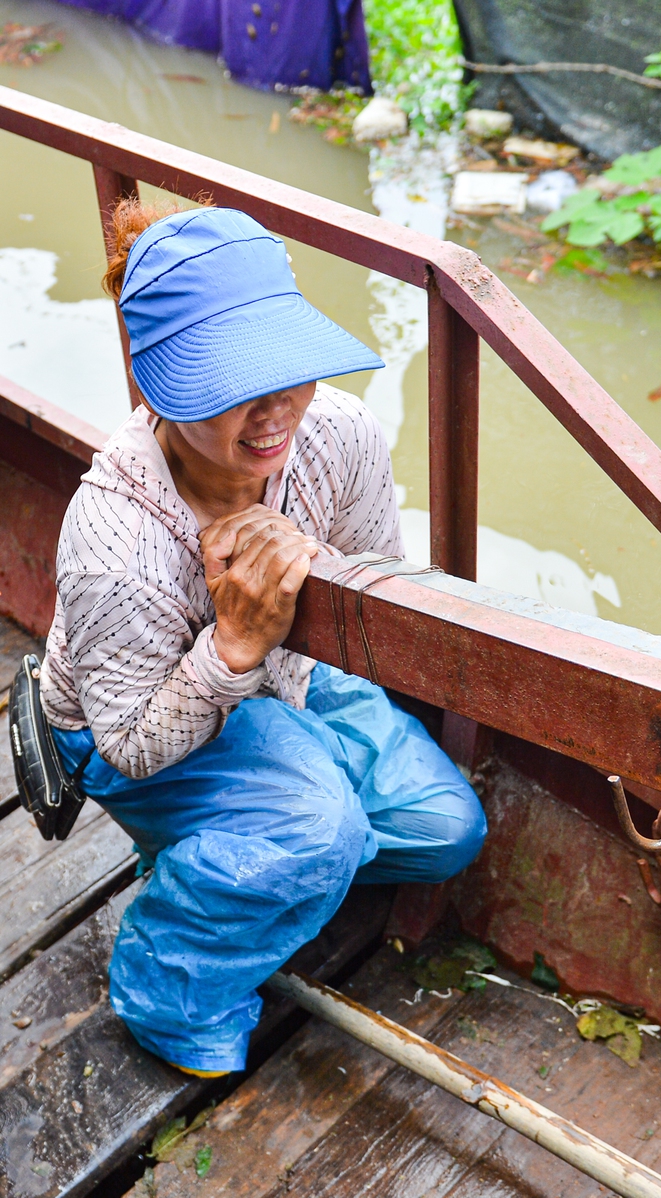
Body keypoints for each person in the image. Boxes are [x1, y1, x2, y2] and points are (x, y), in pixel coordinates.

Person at [39, 202, 487, 1077]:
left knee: (443, 829)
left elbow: (377, 579)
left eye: (289, 367)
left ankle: (231, 851)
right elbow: (132, 747)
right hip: (133, 721)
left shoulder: (340, 436)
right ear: (162, 381)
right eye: (235, 383)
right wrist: (234, 641)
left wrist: (301, 577)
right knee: (319, 831)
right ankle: (163, 988)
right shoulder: (111, 547)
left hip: (290, 675)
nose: (277, 408)